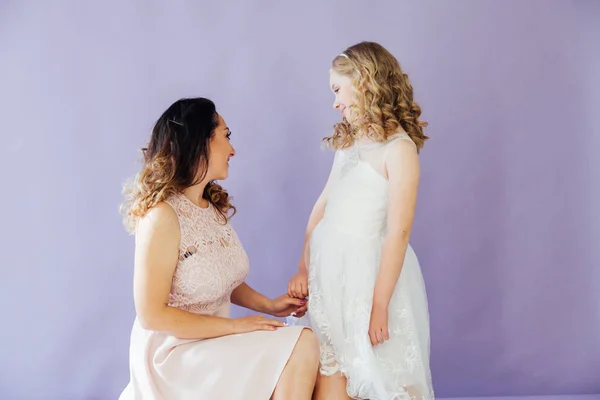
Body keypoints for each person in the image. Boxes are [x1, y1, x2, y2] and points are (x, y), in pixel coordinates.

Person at [119, 97, 319, 400]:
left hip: (213, 343)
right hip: (174, 356)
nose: (233, 149)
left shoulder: (210, 207)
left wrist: (269, 306)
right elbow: (152, 316)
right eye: (226, 136)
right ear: (199, 142)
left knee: (303, 344)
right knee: (301, 342)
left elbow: (219, 278)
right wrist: (238, 328)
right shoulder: (161, 217)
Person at [288, 42, 435, 400]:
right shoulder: (350, 142)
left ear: (364, 81)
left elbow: (398, 233)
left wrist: (380, 305)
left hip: (368, 282)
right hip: (329, 277)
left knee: (376, 373)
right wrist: (303, 268)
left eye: (338, 90)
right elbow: (322, 205)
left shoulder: (399, 150)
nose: (335, 102)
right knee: (331, 372)